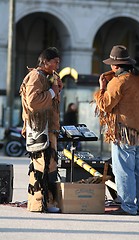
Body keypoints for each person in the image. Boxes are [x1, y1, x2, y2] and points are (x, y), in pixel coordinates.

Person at [94, 45, 139, 216]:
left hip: (125, 132)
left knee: (124, 169)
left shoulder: (118, 81)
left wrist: (102, 88)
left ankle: (128, 206)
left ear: (115, 65)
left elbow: (105, 105)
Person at [19, 47, 63, 213]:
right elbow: (33, 102)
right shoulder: (36, 76)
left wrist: (56, 89)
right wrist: (52, 91)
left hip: (48, 128)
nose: (57, 65)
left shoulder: (47, 76)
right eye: (55, 62)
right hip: (39, 129)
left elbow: (50, 102)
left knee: (48, 166)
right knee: (41, 166)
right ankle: (41, 203)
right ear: (45, 62)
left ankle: (45, 202)